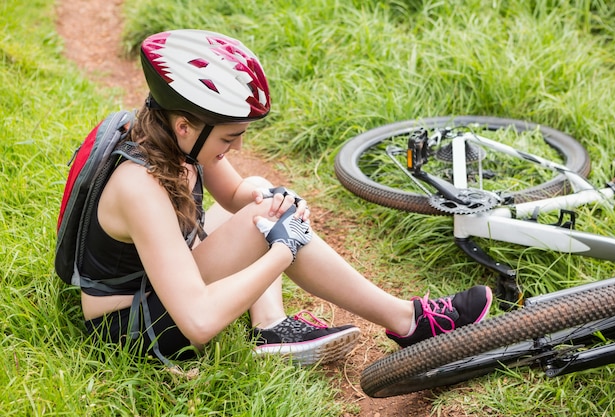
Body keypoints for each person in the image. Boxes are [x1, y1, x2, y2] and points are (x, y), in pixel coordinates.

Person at [79, 29, 492, 366]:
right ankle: (408, 321)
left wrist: (272, 198)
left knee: (263, 200)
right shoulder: (141, 186)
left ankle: (270, 328)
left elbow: (238, 193)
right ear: (186, 126)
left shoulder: (167, 136)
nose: (236, 148)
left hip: (155, 286)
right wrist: (282, 249)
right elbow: (199, 321)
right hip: (131, 330)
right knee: (268, 225)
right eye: (229, 138)